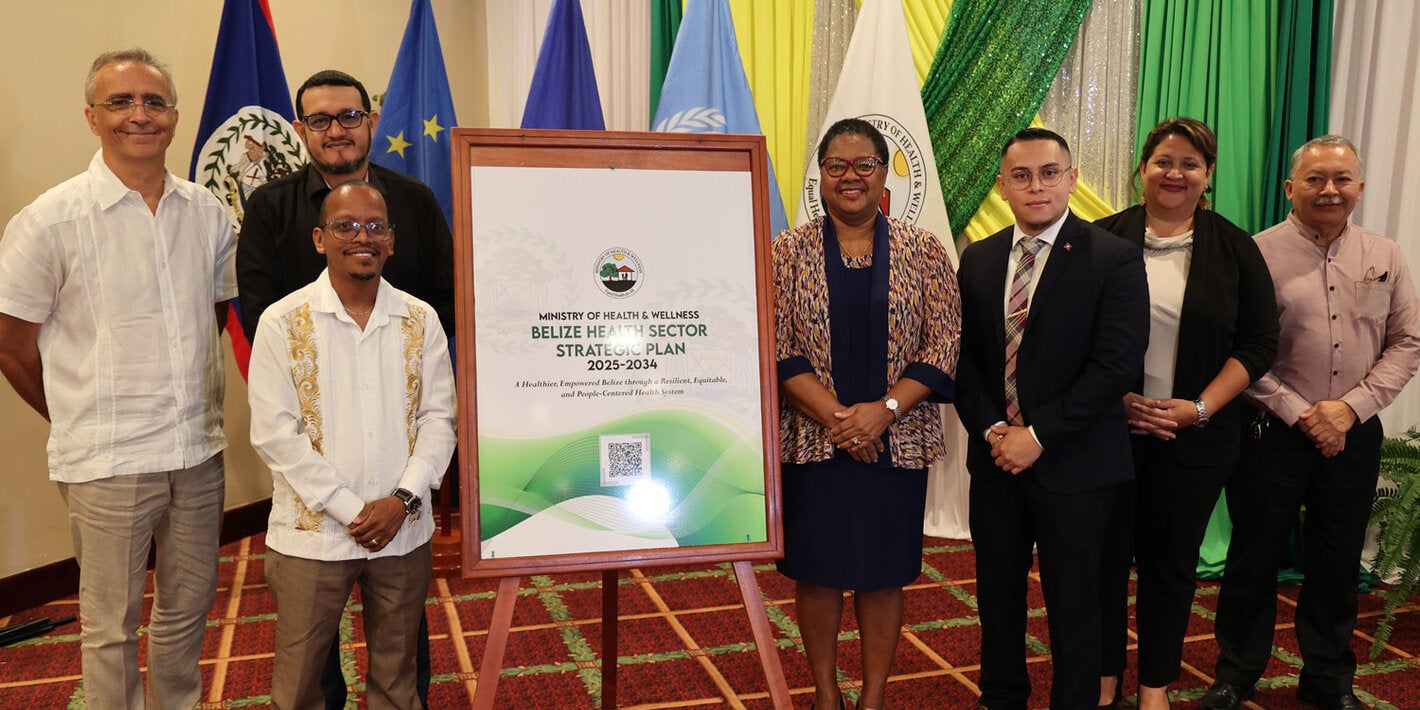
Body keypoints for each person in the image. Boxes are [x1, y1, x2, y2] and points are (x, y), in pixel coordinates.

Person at [0, 48, 234, 708]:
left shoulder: (209, 213)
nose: (140, 115)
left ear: (175, 117)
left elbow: (210, 312)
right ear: (91, 117)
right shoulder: (50, 220)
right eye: (121, 102)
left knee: (186, 614)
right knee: (109, 630)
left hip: (196, 452)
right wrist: (77, 410)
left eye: (154, 102)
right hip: (105, 461)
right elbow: (11, 344)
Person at [236, 69, 452, 707]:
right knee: (305, 676)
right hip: (313, 517)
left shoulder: (413, 207)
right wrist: (348, 506)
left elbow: (439, 398)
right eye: (321, 120)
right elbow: (273, 409)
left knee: (399, 666)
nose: (362, 237)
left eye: (349, 116)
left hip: (400, 515)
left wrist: (403, 498)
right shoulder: (272, 220)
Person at [1202, 136, 1420, 710]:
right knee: (1254, 555)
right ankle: (1236, 673)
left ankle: (1329, 677)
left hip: (1355, 430)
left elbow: (1407, 342)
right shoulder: (1255, 253)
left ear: (1360, 188)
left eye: (1342, 179)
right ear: (1289, 188)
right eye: (1316, 178)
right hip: (1269, 431)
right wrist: (1302, 413)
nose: (1330, 189)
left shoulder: (1386, 254)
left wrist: (1350, 408)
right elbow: (1240, 351)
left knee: (1338, 555)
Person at [955, 127, 1149, 710]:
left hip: (1077, 465)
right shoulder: (980, 259)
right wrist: (995, 431)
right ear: (1002, 185)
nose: (1035, 185)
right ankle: (1002, 696)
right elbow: (962, 362)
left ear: (1070, 177)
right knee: (997, 595)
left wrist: (1036, 436)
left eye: (1048, 172)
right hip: (995, 463)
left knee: (1076, 601)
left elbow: (1116, 365)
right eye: (1021, 175)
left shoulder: (1112, 257)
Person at [773, 118, 960, 710]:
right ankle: (826, 693)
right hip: (813, 441)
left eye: (864, 165)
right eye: (837, 166)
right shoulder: (786, 250)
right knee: (818, 572)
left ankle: (875, 695)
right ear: (821, 176)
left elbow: (944, 343)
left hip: (896, 442)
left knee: (883, 574)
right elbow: (777, 347)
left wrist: (881, 413)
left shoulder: (922, 248)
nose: (850, 176)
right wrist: (841, 421)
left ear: (884, 175)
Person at [1093, 118, 1279, 709]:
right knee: (1101, 563)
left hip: (1195, 438)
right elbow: (1069, 339)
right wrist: (1113, 398)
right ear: (1141, 168)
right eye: (1164, 161)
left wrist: (1197, 408)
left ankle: (1153, 689)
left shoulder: (1236, 248)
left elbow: (1258, 344)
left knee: (1170, 567)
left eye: (1190, 164)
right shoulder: (1098, 239)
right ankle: (1102, 683)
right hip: (1106, 433)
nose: (1175, 174)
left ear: (1208, 175)